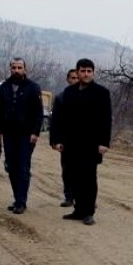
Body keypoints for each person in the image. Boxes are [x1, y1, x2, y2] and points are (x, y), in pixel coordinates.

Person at [50, 58, 111, 226]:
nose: (85, 74)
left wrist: (104, 143)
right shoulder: (68, 93)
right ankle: (78, 210)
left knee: (89, 178)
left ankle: (88, 212)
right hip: (71, 143)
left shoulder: (101, 93)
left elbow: (106, 120)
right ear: (77, 72)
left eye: (88, 71)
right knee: (73, 177)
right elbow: (59, 119)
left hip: (91, 144)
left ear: (93, 72)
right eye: (82, 71)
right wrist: (56, 140)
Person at [0, 57, 43, 215]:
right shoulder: (4, 87)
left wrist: (35, 132)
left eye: (19, 67)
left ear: (25, 69)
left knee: (23, 168)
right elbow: (0, 110)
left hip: (26, 135)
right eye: (14, 67)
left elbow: (38, 113)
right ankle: (17, 198)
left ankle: (21, 202)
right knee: (11, 167)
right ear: (10, 69)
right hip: (9, 133)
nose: (16, 70)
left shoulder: (33, 87)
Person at [51, 68, 79, 207]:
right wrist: (55, 141)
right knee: (67, 169)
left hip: (84, 141)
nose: (74, 80)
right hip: (67, 140)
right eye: (72, 78)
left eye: (76, 78)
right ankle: (69, 197)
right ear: (68, 80)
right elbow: (55, 120)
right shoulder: (61, 97)